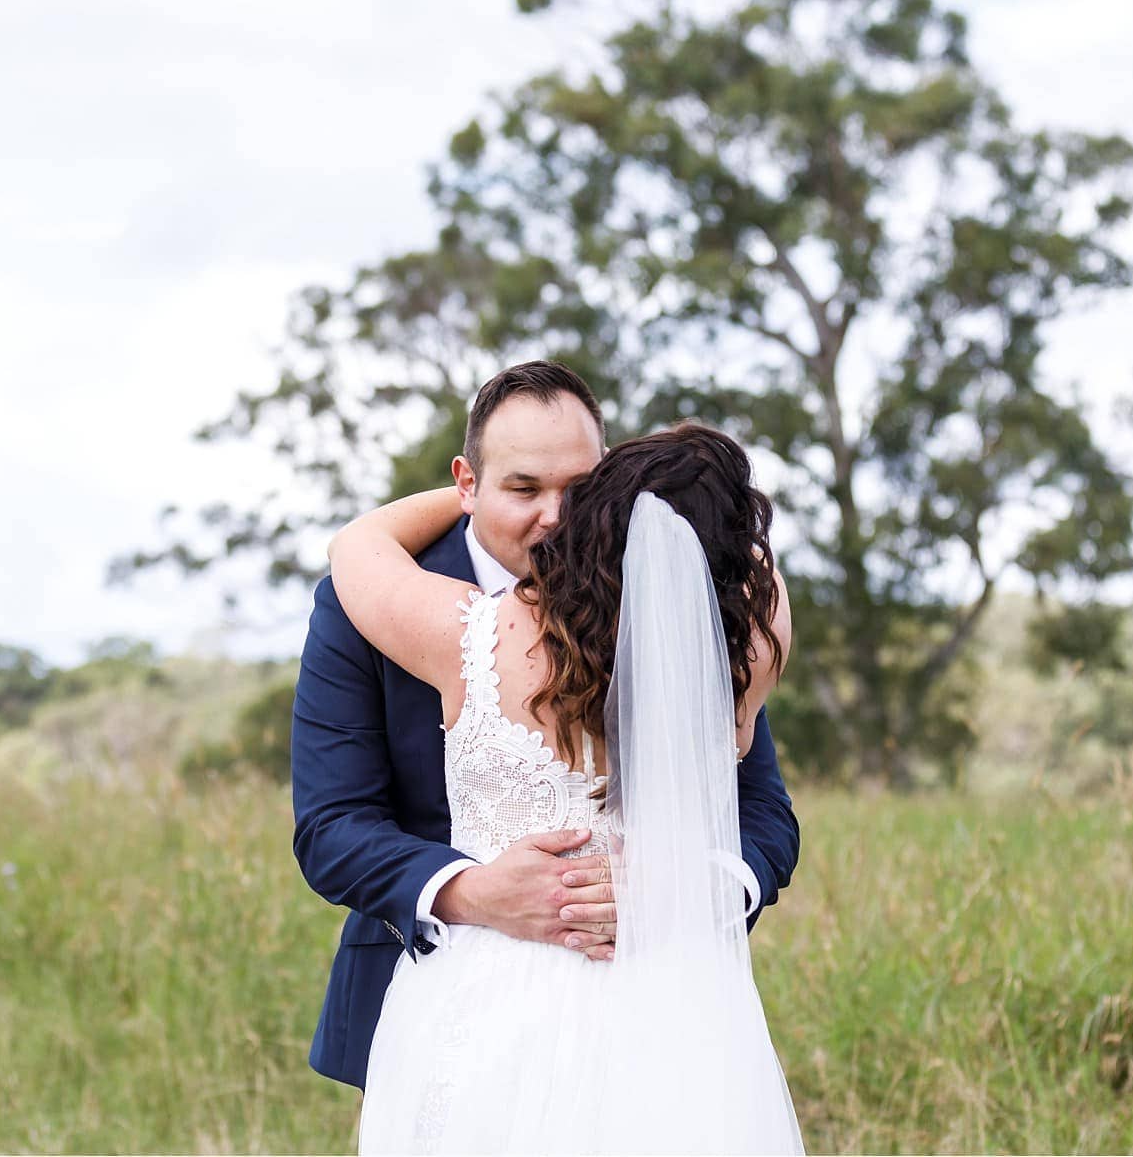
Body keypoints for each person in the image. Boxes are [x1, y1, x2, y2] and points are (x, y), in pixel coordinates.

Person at [290, 362, 801, 1105]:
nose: (557, 518)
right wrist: (473, 892)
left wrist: (686, 892)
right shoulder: (366, 608)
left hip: (659, 993)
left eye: (582, 489)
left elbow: (762, 814)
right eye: (523, 488)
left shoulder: (684, 610)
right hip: (448, 1002)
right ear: (468, 482)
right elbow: (332, 827)